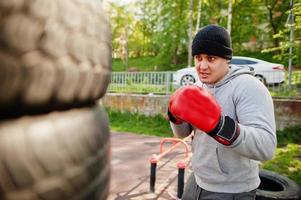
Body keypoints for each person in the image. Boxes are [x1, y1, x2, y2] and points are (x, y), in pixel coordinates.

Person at [168, 24, 276, 200]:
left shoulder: (249, 87)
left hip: (232, 190)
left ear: (227, 59)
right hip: (197, 180)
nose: (202, 66)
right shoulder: (197, 87)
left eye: (211, 58)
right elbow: (183, 135)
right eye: (198, 57)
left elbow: (266, 147)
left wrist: (220, 127)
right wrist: (175, 118)